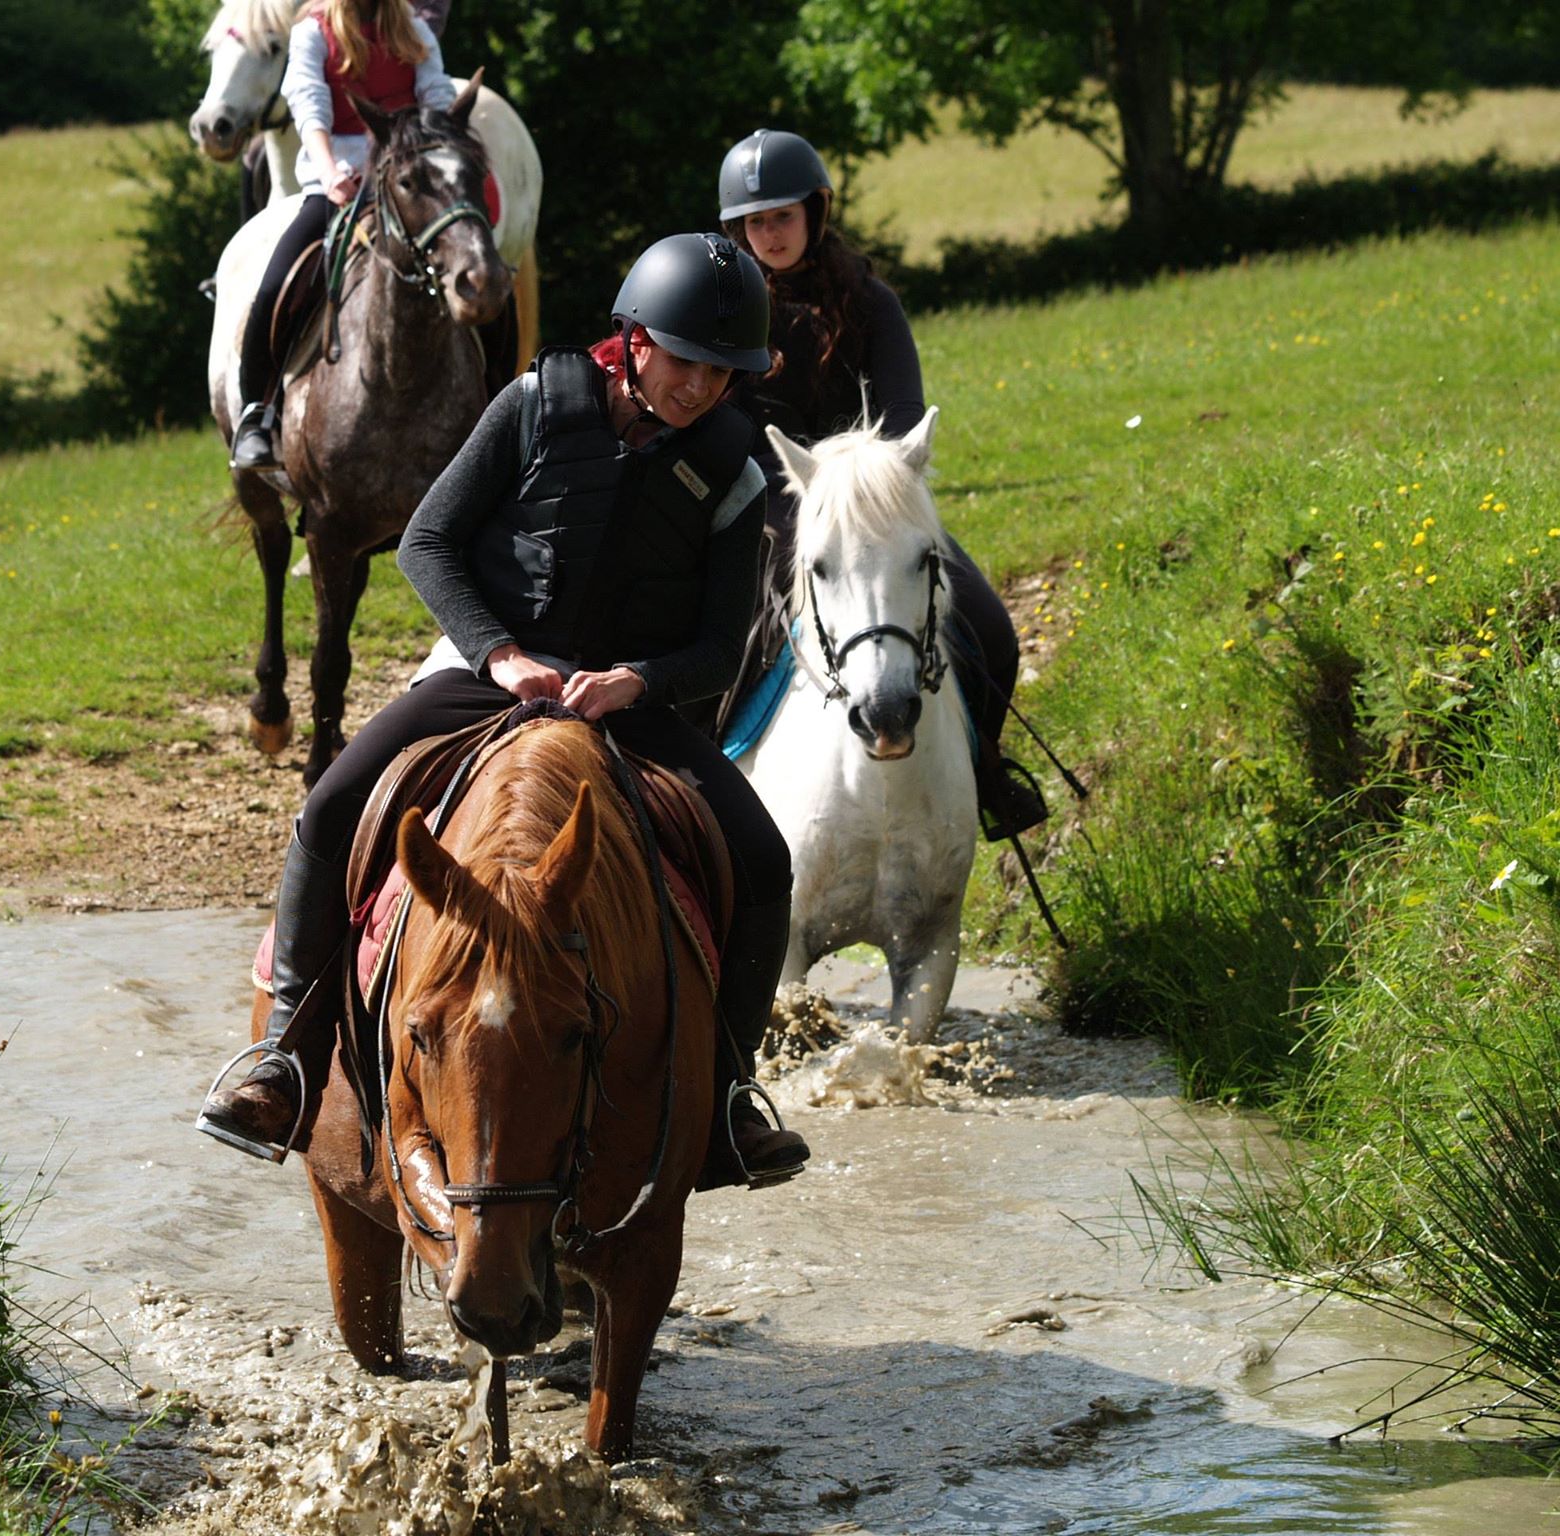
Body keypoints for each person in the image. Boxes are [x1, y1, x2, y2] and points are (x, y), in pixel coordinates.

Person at [201, 232, 810, 1189]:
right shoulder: (530, 406)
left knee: (763, 859)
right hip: (488, 675)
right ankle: (284, 1058)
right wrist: (502, 653)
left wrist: (635, 682)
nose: (700, 388)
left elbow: (720, 645)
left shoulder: (735, 472)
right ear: (635, 337)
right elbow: (429, 544)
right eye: (685, 362)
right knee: (329, 808)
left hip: (623, 701)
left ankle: (730, 1099)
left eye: (723, 374)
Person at [717, 128, 1047, 840]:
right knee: (721, 647)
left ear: (815, 212)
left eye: (781, 216)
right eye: (754, 221)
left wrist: (860, 494)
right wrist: (796, 506)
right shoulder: (724, 312)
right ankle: (711, 796)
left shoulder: (873, 303)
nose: (769, 233)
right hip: (772, 510)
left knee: (990, 625)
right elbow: (730, 433)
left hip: (877, 509)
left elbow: (901, 422)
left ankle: (986, 772)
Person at [231, 0, 457, 470]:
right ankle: (257, 413)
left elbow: (436, 97)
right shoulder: (313, 32)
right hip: (339, 180)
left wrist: (435, 159)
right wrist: (331, 172)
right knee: (277, 284)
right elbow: (309, 107)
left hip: (407, 181)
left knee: (477, 270)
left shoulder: (412, 28)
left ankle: (499, 397)